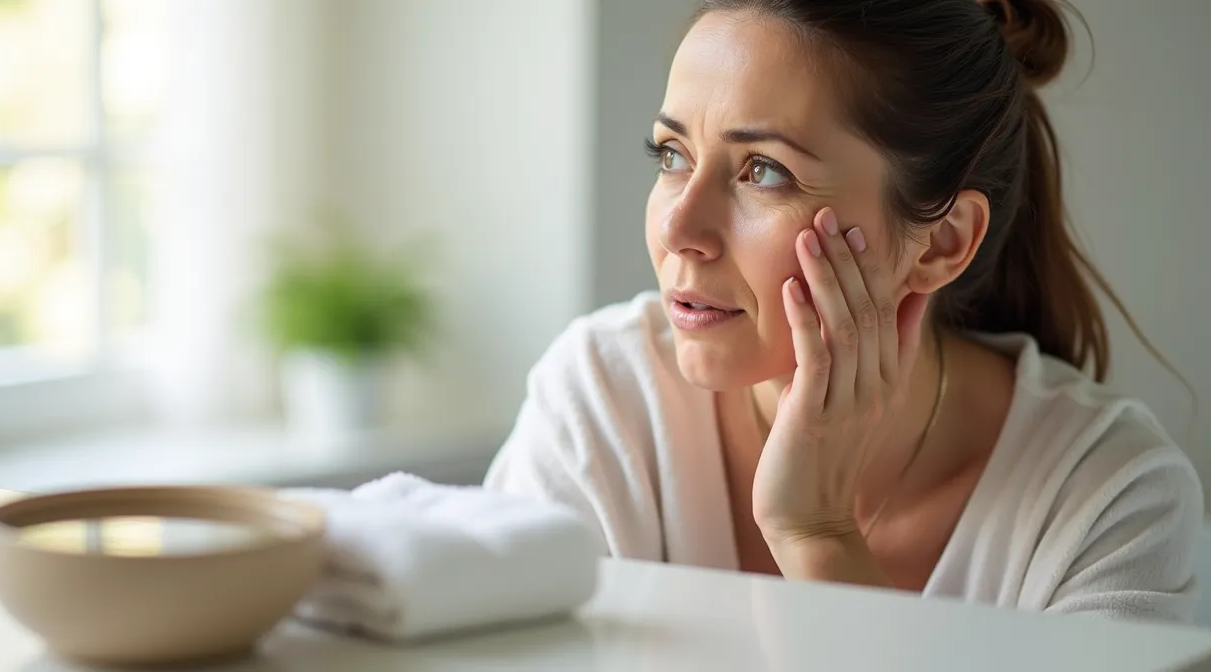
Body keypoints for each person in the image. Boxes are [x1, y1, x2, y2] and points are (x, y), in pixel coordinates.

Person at [484, 0, 1203, 622]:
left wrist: (816, 535)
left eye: (763, 171)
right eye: (672, 154)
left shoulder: (1108, 499)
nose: (678, 227)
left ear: (942, 243)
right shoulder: (603, 403)